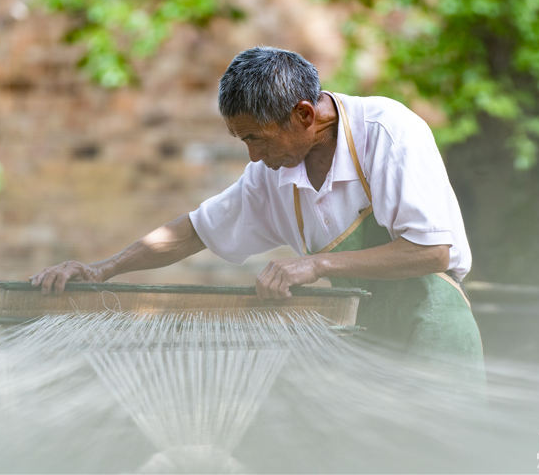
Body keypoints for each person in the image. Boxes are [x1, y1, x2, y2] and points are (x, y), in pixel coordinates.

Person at [30, 46, 484, 373]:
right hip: (366, 343)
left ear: (304, 115)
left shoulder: (388, 132)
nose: (252, 156)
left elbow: (431, 251)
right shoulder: (273, 172)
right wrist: (103, 270)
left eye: (255, 138)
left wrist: (314, 265)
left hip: (433, 335)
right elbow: (194, 231)